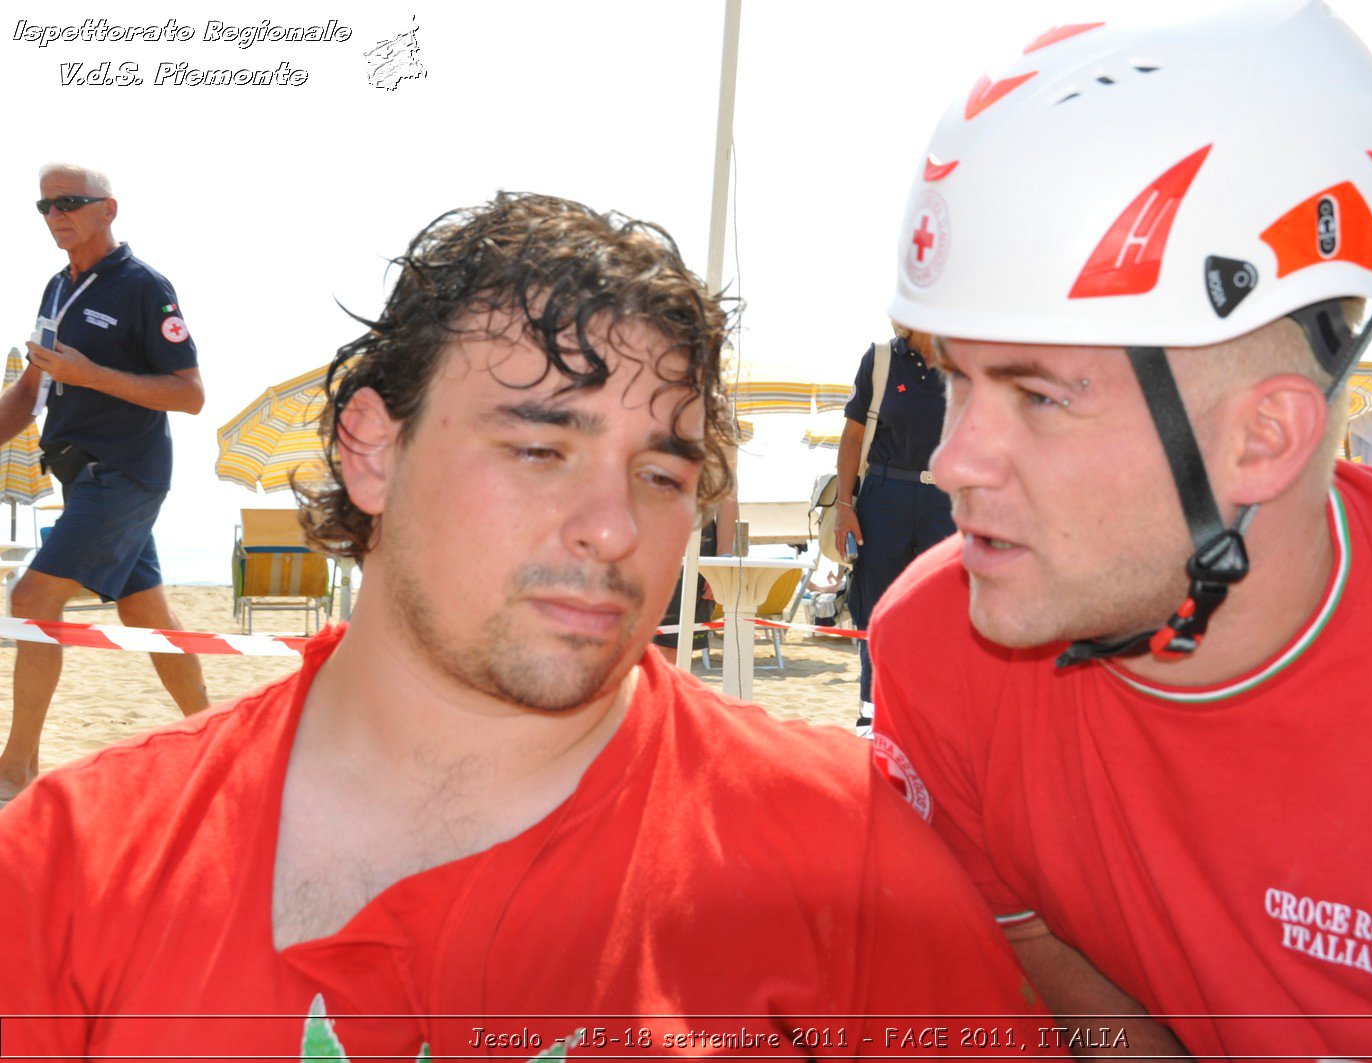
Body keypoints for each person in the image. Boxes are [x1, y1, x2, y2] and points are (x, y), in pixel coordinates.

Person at [0, 192, 1047, 1059]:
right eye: (540, 450)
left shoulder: (840, 853)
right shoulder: (68, 868)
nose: (612, 526)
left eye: (661, 472)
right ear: (369, 450)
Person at [869, 2, 1372, 1058]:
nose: (950, 463)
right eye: (953, 381)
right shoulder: (936, 644)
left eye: (1039, 398)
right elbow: (1069, 982)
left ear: (1263, 439)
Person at [0, 163, 208, 804]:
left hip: (125, 476)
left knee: (31, 602)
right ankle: (212, 747)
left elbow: (191, 394)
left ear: (108, 209)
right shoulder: (55, 289)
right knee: (149, 616)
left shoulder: (145, 287)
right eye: (44, 206)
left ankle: (13, 775)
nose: (55, 215)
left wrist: (91, 376)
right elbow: (31, 392)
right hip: (82, 474)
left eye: (69, 202)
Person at [832, 325, 954, 735]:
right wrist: (844, 505)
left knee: (943, 609)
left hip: (947, 499)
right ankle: (872, 712)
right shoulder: (881, 359)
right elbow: (852, 437)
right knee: (878, 606)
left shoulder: (965, 359)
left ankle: (932, 718)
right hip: (885, 495)